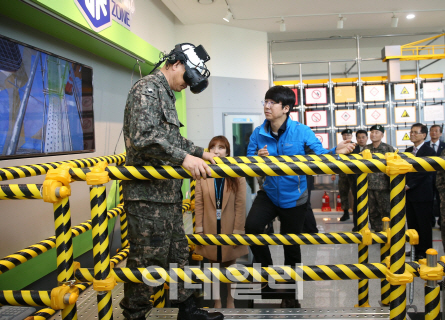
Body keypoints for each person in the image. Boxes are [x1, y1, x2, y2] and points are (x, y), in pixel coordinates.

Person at [120, 43, 224, 320]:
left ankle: (187, 310)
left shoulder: (167, 94)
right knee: (147, 262)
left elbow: (172, 139)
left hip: (167, 195)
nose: (185, 86)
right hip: (146, 197)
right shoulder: (147, 88)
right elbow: (143, 138)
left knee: (179, 255)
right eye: (186, 78)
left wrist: (201, 152)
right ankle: (135, 316)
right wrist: (184, 159)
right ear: (176, 63)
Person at [244, 85, 355, 308]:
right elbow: (248, 160)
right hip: (268, 193)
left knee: (291, 245)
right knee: (252, 228)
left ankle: (291, 295)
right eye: (265, 102)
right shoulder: (259, 133)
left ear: (285, 108)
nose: (266, 106)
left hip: (295, 198)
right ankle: (266, 274)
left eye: (272, 103)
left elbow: (319, 155)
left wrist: (336, 151)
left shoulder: (301, 131)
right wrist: (257, 157)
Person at [194, 136, 248, 309]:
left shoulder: (236, 173)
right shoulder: (202, 171)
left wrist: (238, 230)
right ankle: (217, 301)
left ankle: (231, 301)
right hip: (210, 225)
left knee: (231, 266)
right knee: (213, 267)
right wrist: (199, 228)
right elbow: (199, 203)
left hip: (230, 226)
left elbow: (240, 204)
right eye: (213, 147)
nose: (216, 151)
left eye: (221, 148)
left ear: (227, 151)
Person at [405, 123, 435, 260]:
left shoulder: (429, 151)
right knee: (412, 225)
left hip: (422, 194)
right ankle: (415, 249)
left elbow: (424, 172)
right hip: (409, 195)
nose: (412, 134)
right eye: (411, 132)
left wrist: (409, 185)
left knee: (424, 225)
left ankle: (425, 251)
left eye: (415, 132)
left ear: (424, 135)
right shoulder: (408, 150)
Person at [363, 125, 394, 232]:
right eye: (371, 132)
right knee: (372, 211)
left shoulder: (388, 148)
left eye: (376, 132)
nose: (373, 134)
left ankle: (387, 232)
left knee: (386, 211)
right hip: (369, 186)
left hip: (384, 186)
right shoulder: (366, 149)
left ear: (382, 135)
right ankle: (376, 232)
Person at [426, 124, 445, 227]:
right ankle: (431, 221)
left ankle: (442, 222)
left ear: (440, 133)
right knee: (429, 201)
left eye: (436, 131)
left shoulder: (444, 146)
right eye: (432, 131)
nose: (434, 133)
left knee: (441, 200)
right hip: (428, 178)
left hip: (441, 179)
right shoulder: (425, 146)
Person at [350, 130, 368, 231]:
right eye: (359, 137)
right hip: (355, 181)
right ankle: (357, 226)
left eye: (363, 137)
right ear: (356, 139)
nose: (361, 139)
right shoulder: (352, 149)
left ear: (367, 138)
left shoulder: (371, 149)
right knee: (357, 204)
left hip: (370, 182)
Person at [337, 129, 353, 221]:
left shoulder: (355, 146)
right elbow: (335, 160)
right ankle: (346, 213)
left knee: (356, 194)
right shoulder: (339, 147)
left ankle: (357, 213)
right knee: (343, 193)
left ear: (351, 136)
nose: (346, 137)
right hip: (342, 174)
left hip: (353, 174)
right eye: (345, 135)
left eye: (348, 135)